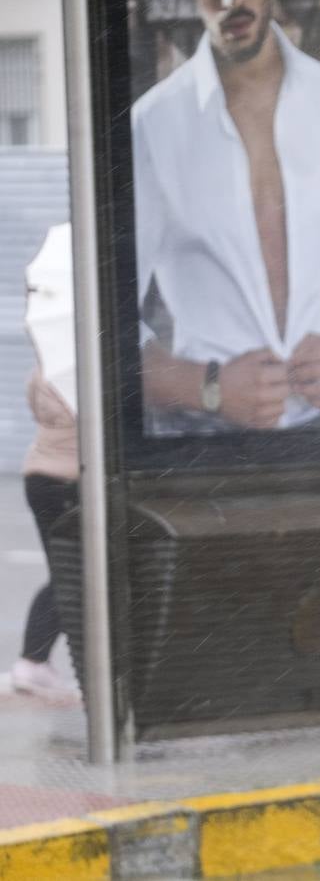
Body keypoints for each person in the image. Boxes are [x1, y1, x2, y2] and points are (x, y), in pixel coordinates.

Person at [131, 0, 320, 433]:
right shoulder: (153, 123)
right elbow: (102, 325)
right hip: (197, 438)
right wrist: (204, 386)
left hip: (317, 433)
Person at [11, 226, 79, 702]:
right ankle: (33, 664)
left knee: (67, 571)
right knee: (77, 574)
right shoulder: (79, 364)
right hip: (68, 481)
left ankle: (32, 663)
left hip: (39, 476)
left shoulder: (45, 361)